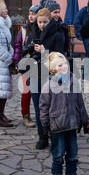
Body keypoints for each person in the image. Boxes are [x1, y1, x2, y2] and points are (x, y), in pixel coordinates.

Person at [20, 8, 65, 149]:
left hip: (50, 76)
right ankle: (42, 136)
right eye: (39, 22)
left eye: (45, 22)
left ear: (50, 21)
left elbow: (60, 58)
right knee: (38, 108)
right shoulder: (33, 34)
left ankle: (54, 136)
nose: (42, 25)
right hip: (34, 74)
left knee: (52, 108)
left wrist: (44, 52)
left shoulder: (57, 36)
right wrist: (30, 49)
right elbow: (25, 51)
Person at [39, 52, 88, 175]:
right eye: (60, 65)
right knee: (58, 154)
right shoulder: (48, 85)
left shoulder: (73, 82)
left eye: (65, 64)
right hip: (57, 126)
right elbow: (43, 107)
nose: (64, 67)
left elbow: (80, 102)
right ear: (53, 69)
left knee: (72, 153)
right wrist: (45, 125)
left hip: (72, 124)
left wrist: (84, 120)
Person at [13, 4, 41, 128]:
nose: (31, 16)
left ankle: (41, 114)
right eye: (30, 13)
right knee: (26, 91)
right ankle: (26, 116)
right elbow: (18, 46)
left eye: (34, 13)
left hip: (40, 64)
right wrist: (16, 62)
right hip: (27, 63)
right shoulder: (24, 30)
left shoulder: (42, 28)